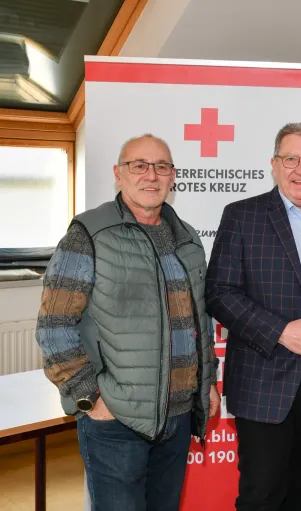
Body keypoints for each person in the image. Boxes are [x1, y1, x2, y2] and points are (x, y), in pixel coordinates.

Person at [35, 134, 219, 511]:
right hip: (116, 420)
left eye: (161, 167)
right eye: (139, 165)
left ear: (173, 177)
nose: (150, 175)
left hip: (178, 416)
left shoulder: (187, 239)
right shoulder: (88, 235)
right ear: (119, 175)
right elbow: (54, 325)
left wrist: (207, 384)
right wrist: (90, 397)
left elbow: (197, 319)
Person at [205, 122, 301, 510]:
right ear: (274, 165)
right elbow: (218, 293)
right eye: (291, 159)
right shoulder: (244, 216)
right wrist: (279, 332)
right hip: (264, 378)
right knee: (262, 493)